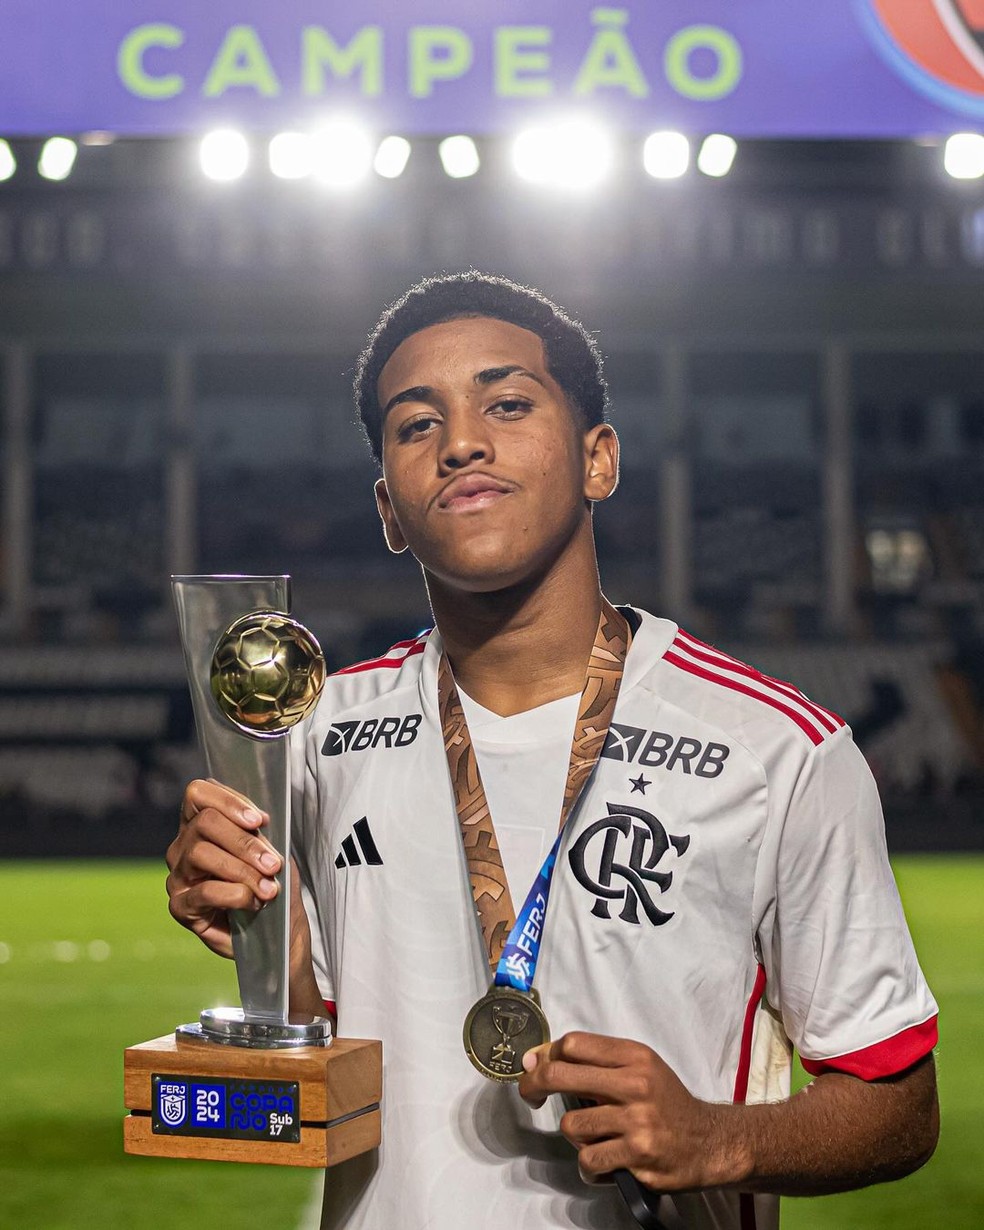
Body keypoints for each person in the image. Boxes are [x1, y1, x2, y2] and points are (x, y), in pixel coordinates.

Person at [166, 272, 939, 1230]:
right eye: (416, 425)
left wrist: (719, 1139)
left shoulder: (777, 750)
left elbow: (899, 1106)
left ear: (598, 459)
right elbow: (319, 1059)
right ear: (388, 512)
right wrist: (264, 958)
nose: (459, 443)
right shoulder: (315, 734)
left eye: (508, 403)